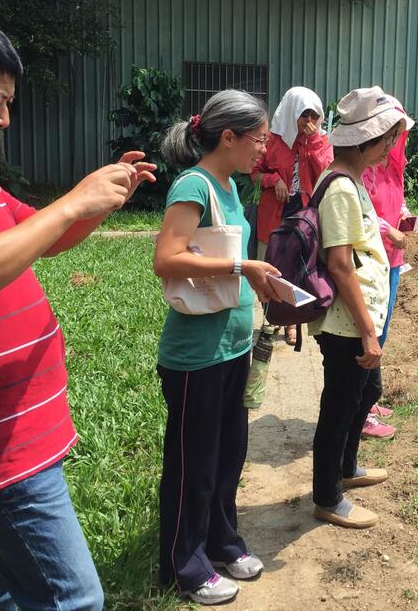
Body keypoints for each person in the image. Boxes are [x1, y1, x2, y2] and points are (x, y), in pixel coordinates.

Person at [0, 12, 156, 610]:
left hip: (19, 424)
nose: (5, 119)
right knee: (73, 601)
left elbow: (37, 236)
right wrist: (70, 205)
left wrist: (95, 201)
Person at [152, 90, 286, 605]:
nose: (264, 149)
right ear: (227, 137)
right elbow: (167, 258)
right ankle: (182, 565)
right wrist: (242, 267)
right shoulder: (194, 184)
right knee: (194, 463)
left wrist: (267, 291)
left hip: (231, 347)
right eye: (257, 139)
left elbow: (233, 263)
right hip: (194, 358)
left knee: (229, 453)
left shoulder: (230, 185)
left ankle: (221, 540)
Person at [309, 86, 413, 529]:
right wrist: (369, 331)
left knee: (366, 393)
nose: (391, 146)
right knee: (339, 405)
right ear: (367, 140)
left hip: (359, 320)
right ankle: (327, 497)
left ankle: (347, 469)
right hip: (347, 323)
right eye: (387, 138)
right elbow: (339, 264)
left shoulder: (351, 183)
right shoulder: (340, 188)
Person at [252, 87, 333, 345]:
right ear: (292, 114)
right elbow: (255, 171)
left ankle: (291, 322)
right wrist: (274, 179)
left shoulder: (320, 141)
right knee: (271, 265)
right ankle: (270, 316)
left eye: (314, 116)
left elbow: (325, 171)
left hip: (303, 214)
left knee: (297, 268)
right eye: (304, 116)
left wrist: (315, 142)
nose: (309, 123)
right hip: (275, 211)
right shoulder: (273, 140)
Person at [360, 94, 413, 440]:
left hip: (392, 260)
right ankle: (363, 412)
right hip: (372, 260)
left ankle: (368, 398)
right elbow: (364, 214)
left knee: (382, 331)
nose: (395, 141)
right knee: (371, 334)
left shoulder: (393, 166)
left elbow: (398, 199)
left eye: (399, 134)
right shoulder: (362, 170)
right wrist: (388, 229)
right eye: (390, 134)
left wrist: (404, 215)